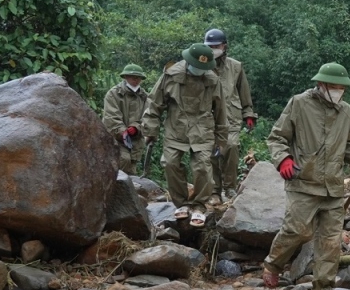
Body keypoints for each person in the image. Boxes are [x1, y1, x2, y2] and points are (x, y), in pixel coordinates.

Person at [261, 62, 350, 290]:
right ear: (320, 84)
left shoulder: (346, 111)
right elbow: (277, 138)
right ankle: (273, 264)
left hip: (333, 185)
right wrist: (284, 159)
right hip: (303, 180)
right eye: (333, 86)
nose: (338, 91)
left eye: (341, 87)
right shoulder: (299, 104)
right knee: (297, 229)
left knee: (331, 240)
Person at [140, 43, 229, 227]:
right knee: (171, 163)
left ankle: (198, 206)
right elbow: (155, 104)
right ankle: (182, 203)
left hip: (202, 129)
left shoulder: (212, 80)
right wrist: (150, 130)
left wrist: (221, 139)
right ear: (188, 62)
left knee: (203, 168)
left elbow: (221, 111)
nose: (199, 71)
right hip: (176, 127)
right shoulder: (171, 75)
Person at [204, 28, 257, 200]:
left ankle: (230, 187)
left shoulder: (235, 66)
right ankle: (214, 191)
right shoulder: (202, 65)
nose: (213, 49)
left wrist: (248, 113)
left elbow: (244, 91)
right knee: (211, 152)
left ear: (224, 46)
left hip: (231, 115)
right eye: (209, 46)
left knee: (231, 147)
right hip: (208, 116)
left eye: (216, 46)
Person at [101, 64, 148, 175]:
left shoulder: (145, 96)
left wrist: (136, 128)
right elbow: (111, 117)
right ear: (125, 77)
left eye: (138, 77)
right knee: (122, 162)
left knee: (131, 171)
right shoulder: (113, 94)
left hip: (136, 143)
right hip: (116, 139)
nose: (136, 80)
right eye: (132, 77)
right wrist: (124, 132)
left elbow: (149, 118)